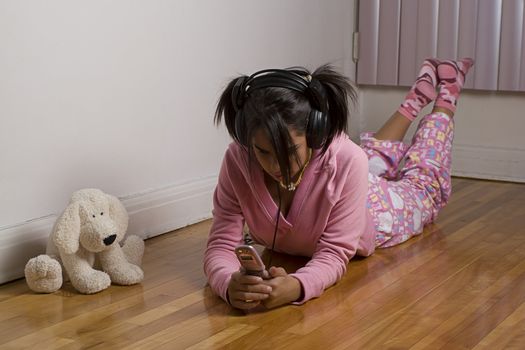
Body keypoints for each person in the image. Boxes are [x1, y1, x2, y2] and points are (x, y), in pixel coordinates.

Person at [204, 58, 474, 310]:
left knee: (423, 184)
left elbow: (334, 253)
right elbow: (220, 243)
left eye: (287, 151)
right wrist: (228, 283)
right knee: (371, 158)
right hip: (344, 176)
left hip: (376, 211)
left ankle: (447, 95)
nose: (275, 166)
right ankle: (415, 99)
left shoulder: (347, 159)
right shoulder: (237, 159)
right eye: (263, 152)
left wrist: (299, 286)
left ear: (315, 133)